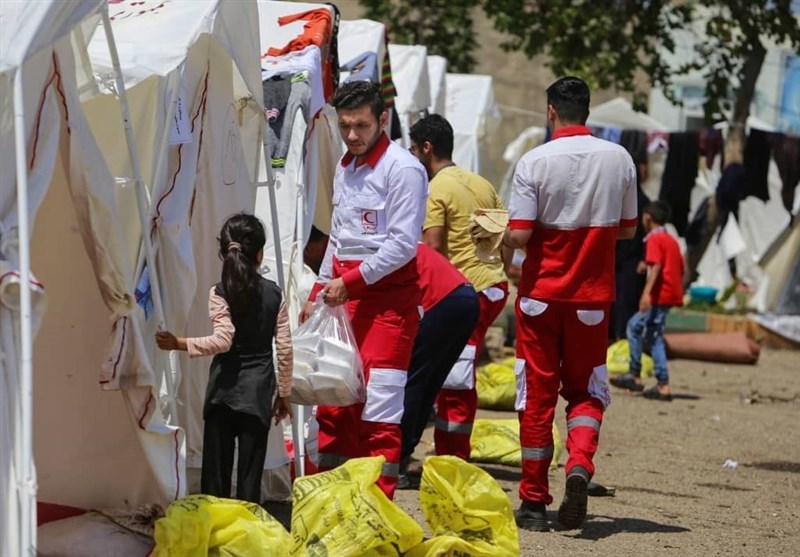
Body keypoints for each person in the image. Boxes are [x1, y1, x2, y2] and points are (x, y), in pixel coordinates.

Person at [504, 76, 638, 531]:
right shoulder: (619, 159)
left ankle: (534, 503)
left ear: (550, 112)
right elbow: (627, 230)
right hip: (592, 301)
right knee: (585, 392)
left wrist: (501, 241)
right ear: (587, 111)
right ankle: (579, 465)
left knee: (537, 399)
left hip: (540, 298)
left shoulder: (533, 161)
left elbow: (520, 234)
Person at [299, 81, 428, 499]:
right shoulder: (344, 167)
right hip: (343, 306)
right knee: (334, 408)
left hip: (389, 311)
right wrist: (317, 290)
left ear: (383, 120)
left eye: (362, 125)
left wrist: (348, 282)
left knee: (379, 413)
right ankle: (331, 503)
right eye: (344, 126)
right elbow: (337, 238)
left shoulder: (403, 168)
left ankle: (376, 508)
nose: (352, 135)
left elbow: (403, 245)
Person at [303, 231, 480, 490]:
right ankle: (405, 452)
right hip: (463, 296)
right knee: (425, 381)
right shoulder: (388, 240)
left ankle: (401, 456)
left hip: (442, 299)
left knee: (406, 382)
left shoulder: (372, 248)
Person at [155, 213, 293, 503]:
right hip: (257, 394)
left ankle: (213, 535)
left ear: (223, 252)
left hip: (223, 393)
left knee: (215, 477)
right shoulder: (275, 294)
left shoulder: (219, 292)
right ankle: (245, 537)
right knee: (249, 478)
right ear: (259, 253)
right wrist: (284, 394)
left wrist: (178, 343)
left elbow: (223, 340)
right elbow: (284, 349)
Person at [409, 114, 509, 460]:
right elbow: (501, 242)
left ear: (426, 148)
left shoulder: (437, 187)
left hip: (464, 293)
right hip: (493, 286)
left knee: (455, 379)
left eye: (413, 149)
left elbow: (432, 248)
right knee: (457, 372)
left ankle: (451, 459)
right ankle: (450, 453)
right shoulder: (482, 183)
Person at [611, 201, 684, 401]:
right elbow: (679, 266)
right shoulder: (670, 240)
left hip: (660, 295)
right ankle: (636, 375)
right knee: (637, 328)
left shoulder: (653, 239)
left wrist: (646, 293)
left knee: (651, 334)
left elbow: (657, 266)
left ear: (647, 218)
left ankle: (660, 383)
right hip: (669, 294)